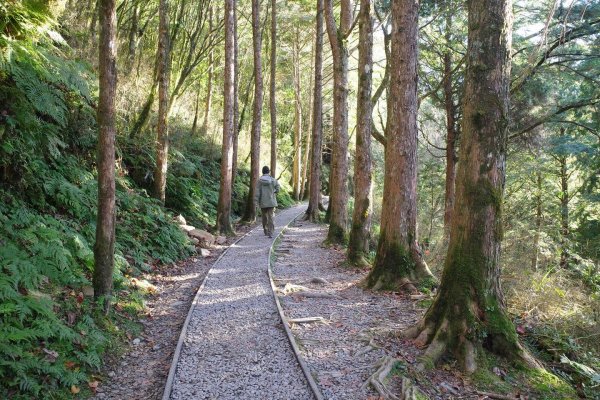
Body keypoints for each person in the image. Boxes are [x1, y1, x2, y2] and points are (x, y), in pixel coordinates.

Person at [254, 166, 280, 238]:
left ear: (262, 172)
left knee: (264, 217)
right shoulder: (273, 180)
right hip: (271, 202)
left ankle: (265, 230)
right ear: (269, 171)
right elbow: (278, 189)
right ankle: (270, 232)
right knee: (271, 216)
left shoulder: (259, 181)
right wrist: (274, 192)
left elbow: (257, 192)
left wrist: (256, 202)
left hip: (263, 202)